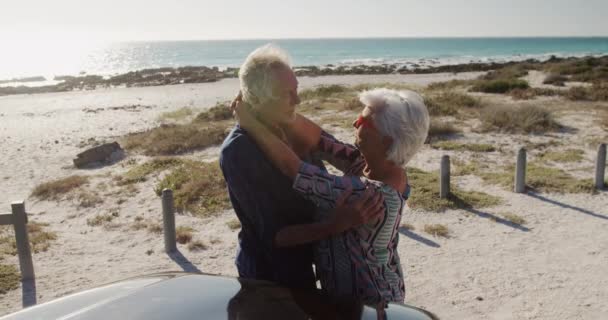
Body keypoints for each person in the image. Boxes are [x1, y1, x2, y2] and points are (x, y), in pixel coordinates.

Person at [234, 86, 430, 311]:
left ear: (386, 141)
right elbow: (320, 140)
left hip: (370, 305)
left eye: (363, 122)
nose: (355, 124)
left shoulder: (370, 194)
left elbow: (295, 169)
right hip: (356, 298)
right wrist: (279, 110)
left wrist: (251, 125)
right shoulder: (377, 165)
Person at [220, 44, 380, 290]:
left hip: (306, 267)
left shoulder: (289, 124)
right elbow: (275, 236)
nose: (298, 100)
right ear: (258, 98)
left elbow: (351, 157)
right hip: (270, 279)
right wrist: (336, 224)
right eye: (287, 94)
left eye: (297, 89)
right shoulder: (239, 151)